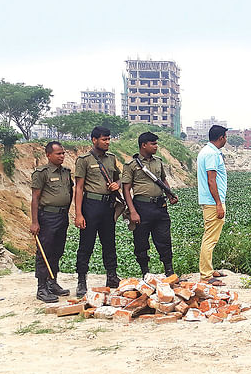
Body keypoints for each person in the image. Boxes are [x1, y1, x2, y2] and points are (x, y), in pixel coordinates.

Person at [74, 126, 122, 296]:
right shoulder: (84, 160)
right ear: (94, 140)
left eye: (109, 139)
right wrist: (78, 214)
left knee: (109, 242)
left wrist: (118, 185)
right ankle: (81, 280)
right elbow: (79, 188)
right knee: (86, 244)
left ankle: (112, 276)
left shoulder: (111, 158)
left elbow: (118, 178)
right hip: (91, 205)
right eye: (104, 139)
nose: (108, 142)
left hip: (108, 206)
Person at [122, 132, 178, 277]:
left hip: (160, 206)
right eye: (153, 144)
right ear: (143, 145)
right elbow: (126, 189)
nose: (156, 146)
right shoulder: (131, 165)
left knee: (164, 239)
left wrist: (169, 194)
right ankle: (145, 273)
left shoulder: (158, 161)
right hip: (142, 207)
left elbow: (163, 180)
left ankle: (169, 271)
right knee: (141, 242)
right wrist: (132, 211)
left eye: (156, 143)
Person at [29, 141, 73, 303]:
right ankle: (41, 288)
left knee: (57, 250)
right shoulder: (42, 173)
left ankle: (52, 282)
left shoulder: (66, 172)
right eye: (58, 154)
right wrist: (35, 222)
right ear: (48, 155)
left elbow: (70, 192)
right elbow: (35, 198)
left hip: (62, 217)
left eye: (63, 153)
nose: (62, 156)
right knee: (44, 252)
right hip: (47, 217)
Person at [197, 125, 228, 286]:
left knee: (210, 237)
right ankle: (206, 276)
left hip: (210, 201)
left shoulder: (207, 151)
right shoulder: (211, 154)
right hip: (212, 202)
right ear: (221, 137)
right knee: (210, 239)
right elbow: (211, 180)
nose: (226, 140)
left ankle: (208, 269)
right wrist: (218, 204)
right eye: (225, 137)